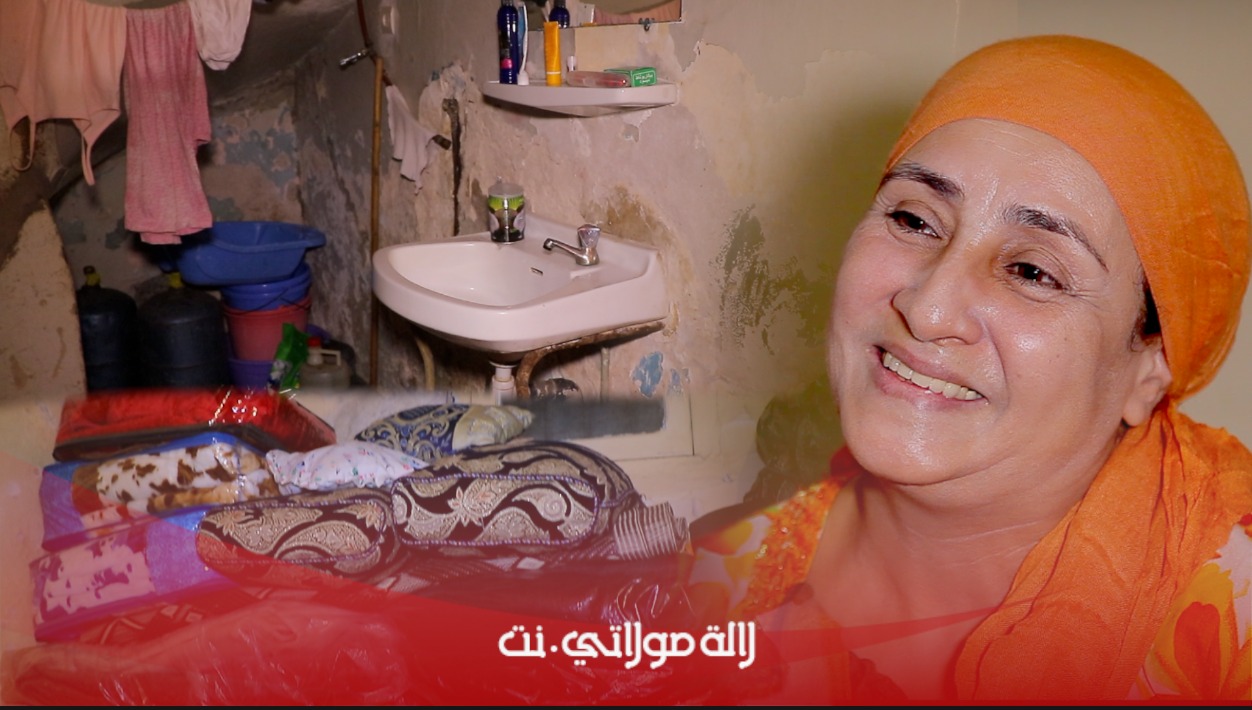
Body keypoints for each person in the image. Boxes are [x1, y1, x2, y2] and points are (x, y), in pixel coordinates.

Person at [686, 34, 1251, 704]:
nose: (928, 309)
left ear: (1151, 370)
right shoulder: (702, 595)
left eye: (1032, 271)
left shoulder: (1231, 628)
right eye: (914, 219)